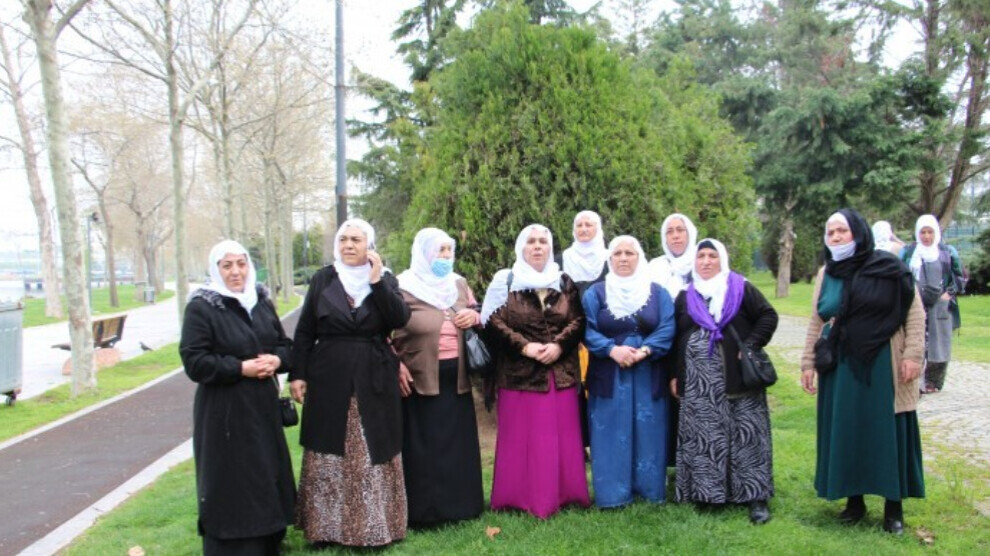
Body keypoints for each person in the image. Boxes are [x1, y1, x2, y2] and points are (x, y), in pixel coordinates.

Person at [801, 209, 925, 534]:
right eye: (831, 233)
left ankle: (893, 507)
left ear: (858, 232)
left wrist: (913, 355)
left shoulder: (889, 267)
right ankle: (854, 501)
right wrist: (808, 362)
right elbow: (817, 320)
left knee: (886, 433)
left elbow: (915, 313)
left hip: (883, 362)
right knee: (847, 430)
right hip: (839, 366)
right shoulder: (827, 273)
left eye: (842, 231)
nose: (836, 237)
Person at [290, 219, 411, 547]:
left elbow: (399, 319)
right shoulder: (323, 278)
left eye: (356, 239)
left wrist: (377, 282)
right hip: (329, 375)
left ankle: (375, 527)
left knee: (373, 445)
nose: (348, 245)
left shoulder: (385, 279)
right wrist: (298, 373)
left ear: (368, 245)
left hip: (374, 374)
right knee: (328, 446)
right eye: (343, 239)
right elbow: (305, 330)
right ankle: (326, 529)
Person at [180, 240, 295, 555]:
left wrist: (277, 360)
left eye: (241, 264)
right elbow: (194, 360)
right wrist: (240, 368)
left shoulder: (260, 301)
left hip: (262, 406)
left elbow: (284, 344)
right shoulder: (202, 307)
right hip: (224, 410)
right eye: (227, 265)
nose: (235, 272)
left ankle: (268, 538)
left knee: (264, 472)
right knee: (231, 477)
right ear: (215, 269)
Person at [481, 223, 590, 518]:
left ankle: (566, 494)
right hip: (518, 375)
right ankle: (517, 497)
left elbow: (578, 319)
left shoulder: (563, 281)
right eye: (531, 241)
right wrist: (525, 347)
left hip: (560, 372)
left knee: (561, 437)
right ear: (521, 247)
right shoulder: (506, 280)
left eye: (543, 241)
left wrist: (559, 345)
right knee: (521, 439)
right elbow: (492, 322)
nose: (538, 246)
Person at [670, 239, 778, 525]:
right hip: (699, 385)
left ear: (722, 259)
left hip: (738, 377)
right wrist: (675, 374)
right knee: (706, 436)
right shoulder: (685, 295)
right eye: (701, 256)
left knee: (747, 435)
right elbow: (677, 338)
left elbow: (768, 316)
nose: (706, 261)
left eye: (712, 256)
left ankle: (755, 496)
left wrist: (751, 345)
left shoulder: (740, 288)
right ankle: (709, 493)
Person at [392, 228, 484, 526]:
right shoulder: (402, 286)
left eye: (448, 250)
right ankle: (425, 512)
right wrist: (395, 364)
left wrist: (474, 316)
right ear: (423, 253)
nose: (445, 256)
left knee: (457, 444)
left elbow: (477, 310)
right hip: (418, 378)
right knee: (423, 446)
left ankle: (462, 506)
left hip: (456, 377)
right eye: (438, 250)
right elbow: (380, 331)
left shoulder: (458, 283)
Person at [582, 235, 675, 508]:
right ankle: (613, 494)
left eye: (629, 253)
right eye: (617, 253)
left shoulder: (658, 293)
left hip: (648, 371)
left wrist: (645, 350)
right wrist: (612, 350)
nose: (623, 258)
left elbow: (668, 327)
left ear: (639, 257)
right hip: (609, 373)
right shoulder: (595, 293)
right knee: (610, 430)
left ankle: (649, 490)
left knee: (649, 429)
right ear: (609, 259)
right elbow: (586, 328)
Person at [560, 210, 609, 452]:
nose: (584, 229)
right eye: (579, 225)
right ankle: (577, 446)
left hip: (602, 337)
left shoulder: (611, 259)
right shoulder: (561, 261)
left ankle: (601, 441)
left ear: (598, 229)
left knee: (600, 387)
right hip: (568, 337)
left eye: (589, 224)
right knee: (573, 392)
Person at [899, 214, 964, 393]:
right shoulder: (909, 252)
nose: (926, 236)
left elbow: (960, 277)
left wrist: (948, 294)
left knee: (939, 344)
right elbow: (898, 275)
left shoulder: (947, 252)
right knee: (916, 342)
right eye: (923, 232)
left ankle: (933, 383)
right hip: (915, 304)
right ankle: (915, 382)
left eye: (930, 232)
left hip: (940, 305)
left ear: (936, 232)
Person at [648, 213, 698, 297]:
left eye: (680, 230)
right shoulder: (655, 266)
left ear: (690, 234)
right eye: (669, 232)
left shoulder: (701, 263)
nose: (675, 236)